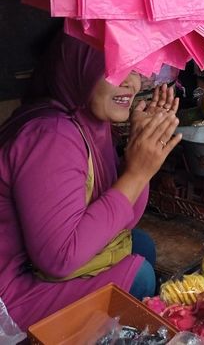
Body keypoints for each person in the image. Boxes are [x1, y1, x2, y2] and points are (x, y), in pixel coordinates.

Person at [0, 33, 182, 330]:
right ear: (80, 67)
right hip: (11, 295)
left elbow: (126, 221)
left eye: (134, 69)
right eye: (115, 69)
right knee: (140, 276)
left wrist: (139, 157)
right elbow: (60, 257)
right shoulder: (52, 136)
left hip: (40, 264)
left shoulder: (89, 121)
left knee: (141, 244)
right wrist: (136, 173)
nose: (131, 84)